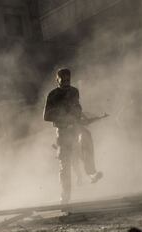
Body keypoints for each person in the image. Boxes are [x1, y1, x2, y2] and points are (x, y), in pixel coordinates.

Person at [43, 68, 103, 204]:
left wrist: (84, 117)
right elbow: (46, 116)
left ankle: (91, 172)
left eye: (68, 80)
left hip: (75, 128)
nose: (66, 83)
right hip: (62, 132)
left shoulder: (74, 91)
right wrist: (63, 117)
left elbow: (77, 108)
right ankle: (65, 195)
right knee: (65, 165)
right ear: (56, 80)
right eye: (62, 80)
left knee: (86, 136)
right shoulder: (52, 95)